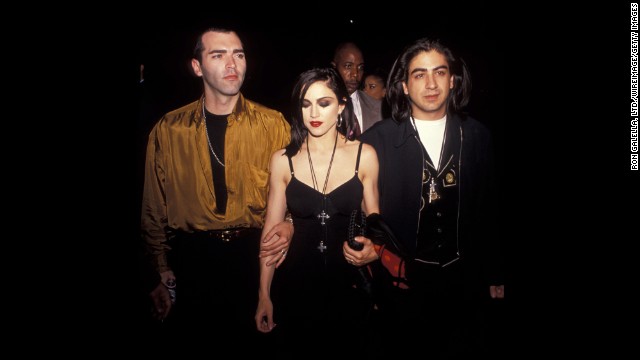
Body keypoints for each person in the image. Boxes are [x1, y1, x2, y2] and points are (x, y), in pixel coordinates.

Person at [140, 27, 293, 351]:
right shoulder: (169, 130)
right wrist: (160, 268)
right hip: (193, 262)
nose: (231, 63)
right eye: (218, 54)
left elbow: (294, 194)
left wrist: (290, 225)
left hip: (254, 257)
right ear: (197, 67)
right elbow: (154, 208)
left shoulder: (272, 124)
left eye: (238, 54)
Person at [360, 37, 505, 358]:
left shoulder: (478, 135)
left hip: (463, 284)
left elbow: (489, 208)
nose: (430, 83)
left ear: (452, 80)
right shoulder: (377, 141)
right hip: (401, 288)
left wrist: (495, 273)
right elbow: (356, 207)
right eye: (419, 74)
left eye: (439, 72)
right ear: (404, 86)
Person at [254, 67, 380, 357]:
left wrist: (375, 247)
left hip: (349, 290)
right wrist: (264, 294)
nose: (314, 112)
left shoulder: (365, 155)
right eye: (306, 103)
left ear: (341, 106)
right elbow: (270, 233)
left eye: (324, 103)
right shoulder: (283, 160)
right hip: (296, 290)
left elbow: (375, 221)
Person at [331, 42, 382, 134]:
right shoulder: (319, 106)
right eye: (348, 66)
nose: (355, 74)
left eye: (360, 67)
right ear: (334, 67)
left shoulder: (379, 108)